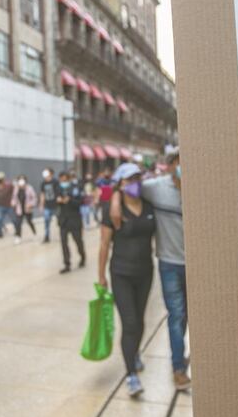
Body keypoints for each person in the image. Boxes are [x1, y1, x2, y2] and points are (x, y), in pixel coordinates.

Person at [122, 151, 190, 390]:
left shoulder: (200, 187)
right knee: (176, 315)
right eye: (179, 163)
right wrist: (113, 201)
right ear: (170, 166)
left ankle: (180, 356)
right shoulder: (155, 188)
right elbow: (127, 188)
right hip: (169, 263)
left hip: (195, 267)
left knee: (187, 316)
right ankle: (178, 368)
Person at [99, 163, 156, 397]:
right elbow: (104, 244)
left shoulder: (149, 205)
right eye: (129, 180)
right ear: (120, 184)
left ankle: (134, 353)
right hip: (121, 273)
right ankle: (131, 374)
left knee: (140, 321)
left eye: (137, 178)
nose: (134, 183)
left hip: (145, 272)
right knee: (130, 323)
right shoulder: (113, 210)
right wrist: (101, 276)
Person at [56, 170, 86, 274]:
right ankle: (67, 263)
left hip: (74, 219)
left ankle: (82, 257)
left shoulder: (76, 188)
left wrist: (70, 200)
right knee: (64, 243)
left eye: (65, 179)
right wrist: (58, 201)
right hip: (63, 220)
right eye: (61, 179)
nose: (63, 181)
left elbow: (81, 202)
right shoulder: (58, 188)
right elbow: (54, 200)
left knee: (78, 241)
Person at [11, 175, 37, 243]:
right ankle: (18, 236)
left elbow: (34, 198)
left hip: (27, 209)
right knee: (18, 223)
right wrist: (13, 203)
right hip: (19, 209)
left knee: (29, 222)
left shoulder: (29, 188)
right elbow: (14, 198)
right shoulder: (16, 188)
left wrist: (31, 204)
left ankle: (34, 233)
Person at [39, 167, 59, 243]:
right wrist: (41, 204)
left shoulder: (56, 182)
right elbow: (42, 194)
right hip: (47, 205)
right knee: (46, 220)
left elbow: (59, 192)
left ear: (51, 173)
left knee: (60, 220)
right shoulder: (43, 183)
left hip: (56, 205)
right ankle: (46, 236)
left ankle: (63, 234)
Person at [0, 172, 14, 239]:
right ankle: (0, 233)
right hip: (1, 207)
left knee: (14, 219)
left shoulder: (9, 185)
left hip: (9, 206)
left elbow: (14, 193)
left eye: (0, 179)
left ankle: (17, 231)